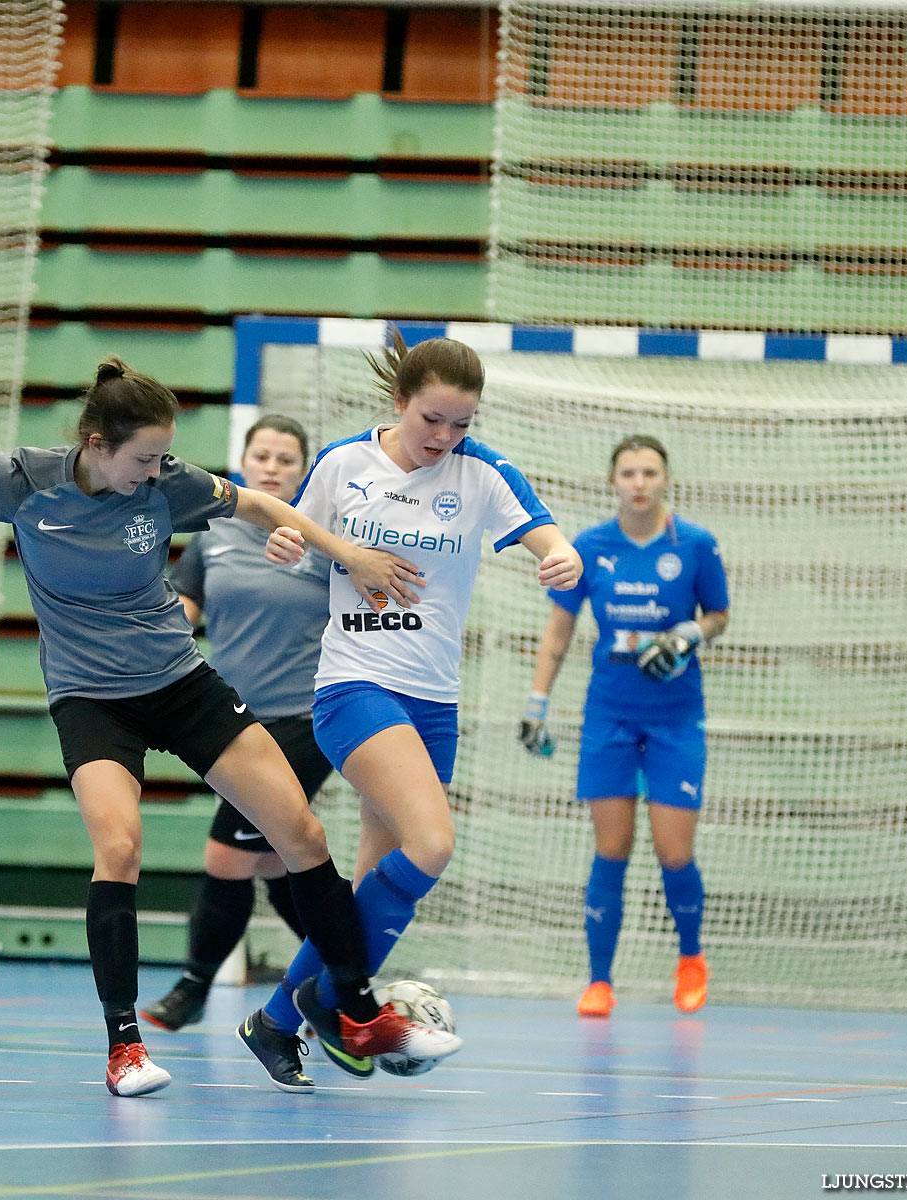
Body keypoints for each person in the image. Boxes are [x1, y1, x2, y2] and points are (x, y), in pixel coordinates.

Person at [0, 357, 460, 1098]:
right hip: (92, 699)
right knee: (119, 847)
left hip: (180, 683)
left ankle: (356, 1014)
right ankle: (125, 1048)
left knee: (305, 838)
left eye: (164, 457)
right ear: (95, 444)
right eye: (143, 458)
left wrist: (344, 551)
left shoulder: (169, 483)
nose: (158, 472)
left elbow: (256, 506)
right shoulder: (22, 480)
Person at [246, 331, 582, 1083]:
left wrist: (564, 557)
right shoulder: (343, 464)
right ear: (400, 403)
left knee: (377, 884)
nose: (446, 436)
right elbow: (292, 526)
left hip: (433, 704)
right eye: (433, 419)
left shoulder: (481, 472)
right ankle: (339, 1007)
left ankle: (278, 1022)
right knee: (430, 845)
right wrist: (288, 547)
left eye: (462, 422)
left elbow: (547, 533)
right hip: (356, 686)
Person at [518, 434, 730, 1017]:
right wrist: (537, 701)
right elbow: (560, 629)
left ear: (666, 479)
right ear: (613, 481)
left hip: (676, 718)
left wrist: (688, 634)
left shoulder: (695, 545)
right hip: (609, 714)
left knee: (673, 851)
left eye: (650, 472)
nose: (639, 482)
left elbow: (718, 615)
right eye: (629, 473)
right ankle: (599, 980)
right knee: (610, 847)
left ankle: (690, 958)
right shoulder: (588, 547)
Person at [140, 414, 330, 1033]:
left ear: (303, 471)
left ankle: (193, 989)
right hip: (232, 725)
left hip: (306, 720)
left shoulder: (318, 540)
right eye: (263, 455)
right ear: (243, 463)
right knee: (278, 865)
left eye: (286, 458)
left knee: (227, 853)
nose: (272, 466)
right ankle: (349, 970)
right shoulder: (213, 537)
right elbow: (183, 613)